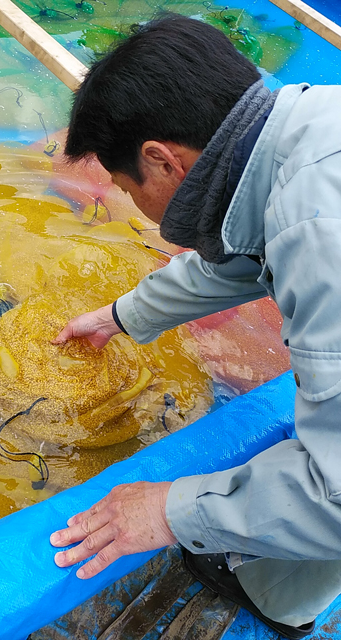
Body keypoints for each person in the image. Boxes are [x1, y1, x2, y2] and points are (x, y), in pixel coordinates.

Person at [47, 13, 341, 640]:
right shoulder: (305, 127)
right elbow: (241, 255)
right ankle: (282, 594)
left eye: (128, 190)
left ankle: (273, 594)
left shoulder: (318, 237)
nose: (135, 208)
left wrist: (170, 509)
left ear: (161, 161)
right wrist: (124, 315)